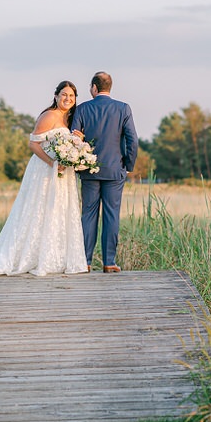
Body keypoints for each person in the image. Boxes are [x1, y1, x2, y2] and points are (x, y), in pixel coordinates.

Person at [0, 82, 88, 277]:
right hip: (45, 170)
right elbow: (33, 144)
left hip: (63, 174)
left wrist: (76, 142)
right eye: (64, 94)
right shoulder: (49, 116)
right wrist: (52, 163)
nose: (68, 99)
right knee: (39, 208)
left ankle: (54, 257)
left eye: (71, 96)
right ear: (56, 96)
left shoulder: (69, 120)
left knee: (58, 210)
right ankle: (29, 256)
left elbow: (65, 145)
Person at [71, 72, 138, 272]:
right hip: (115, 169)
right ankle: (109, 262)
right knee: (112, 215)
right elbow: (132, 140)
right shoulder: (123, 108)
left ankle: (85, 261)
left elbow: (74, 139)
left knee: (88, 215)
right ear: (110, 86)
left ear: (94, 87)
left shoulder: (82, 109)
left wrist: (78, 163)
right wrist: (128, 165)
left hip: (89, 170)